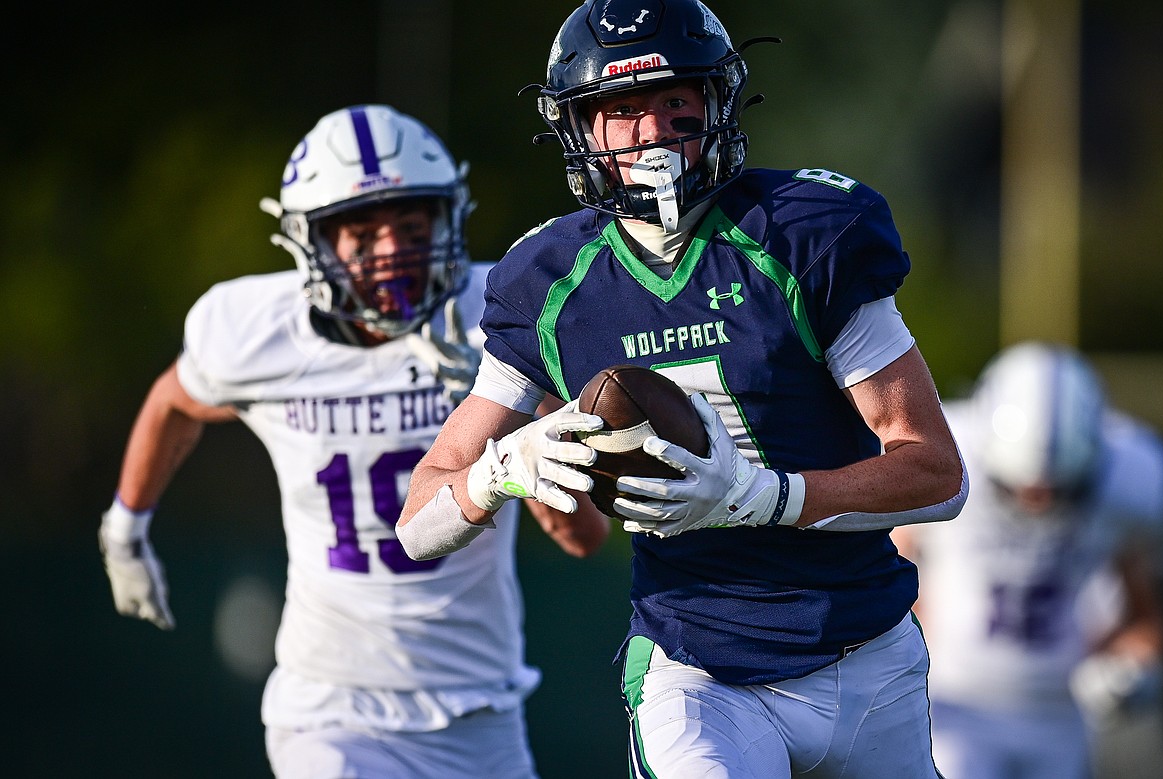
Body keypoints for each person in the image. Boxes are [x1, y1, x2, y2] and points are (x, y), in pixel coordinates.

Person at [396, 2, 968, 777]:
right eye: (621, 108)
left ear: (717, 104)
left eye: (675, 102)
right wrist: (503, 468)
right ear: (581, 129)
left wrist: (767, 496)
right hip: (698, 668)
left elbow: (936, 474)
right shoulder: (548, 282)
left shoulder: (802, 235)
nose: (651, 130)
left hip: (866, 655)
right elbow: (416, 524)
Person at [98, 103, 609, 779]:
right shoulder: (258, 329)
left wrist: (519, 403)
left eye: (410, 223)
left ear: (447, 217)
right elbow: (174, 401)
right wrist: (125, 527)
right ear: (311, 243)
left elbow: (585, 538)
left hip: (480, 707)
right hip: (331, 708)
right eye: (362, 234)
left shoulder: (502, 318)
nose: (393, 249)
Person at [891, 341, 1163, 779]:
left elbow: (1146, 617)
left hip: (1062, 716)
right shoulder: (944, 461)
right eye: (1017, 489)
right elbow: (888, 581)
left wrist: (1130, 668)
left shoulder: (1129, 484)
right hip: (954, 706)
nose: (1038, 505)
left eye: (1059, 491)